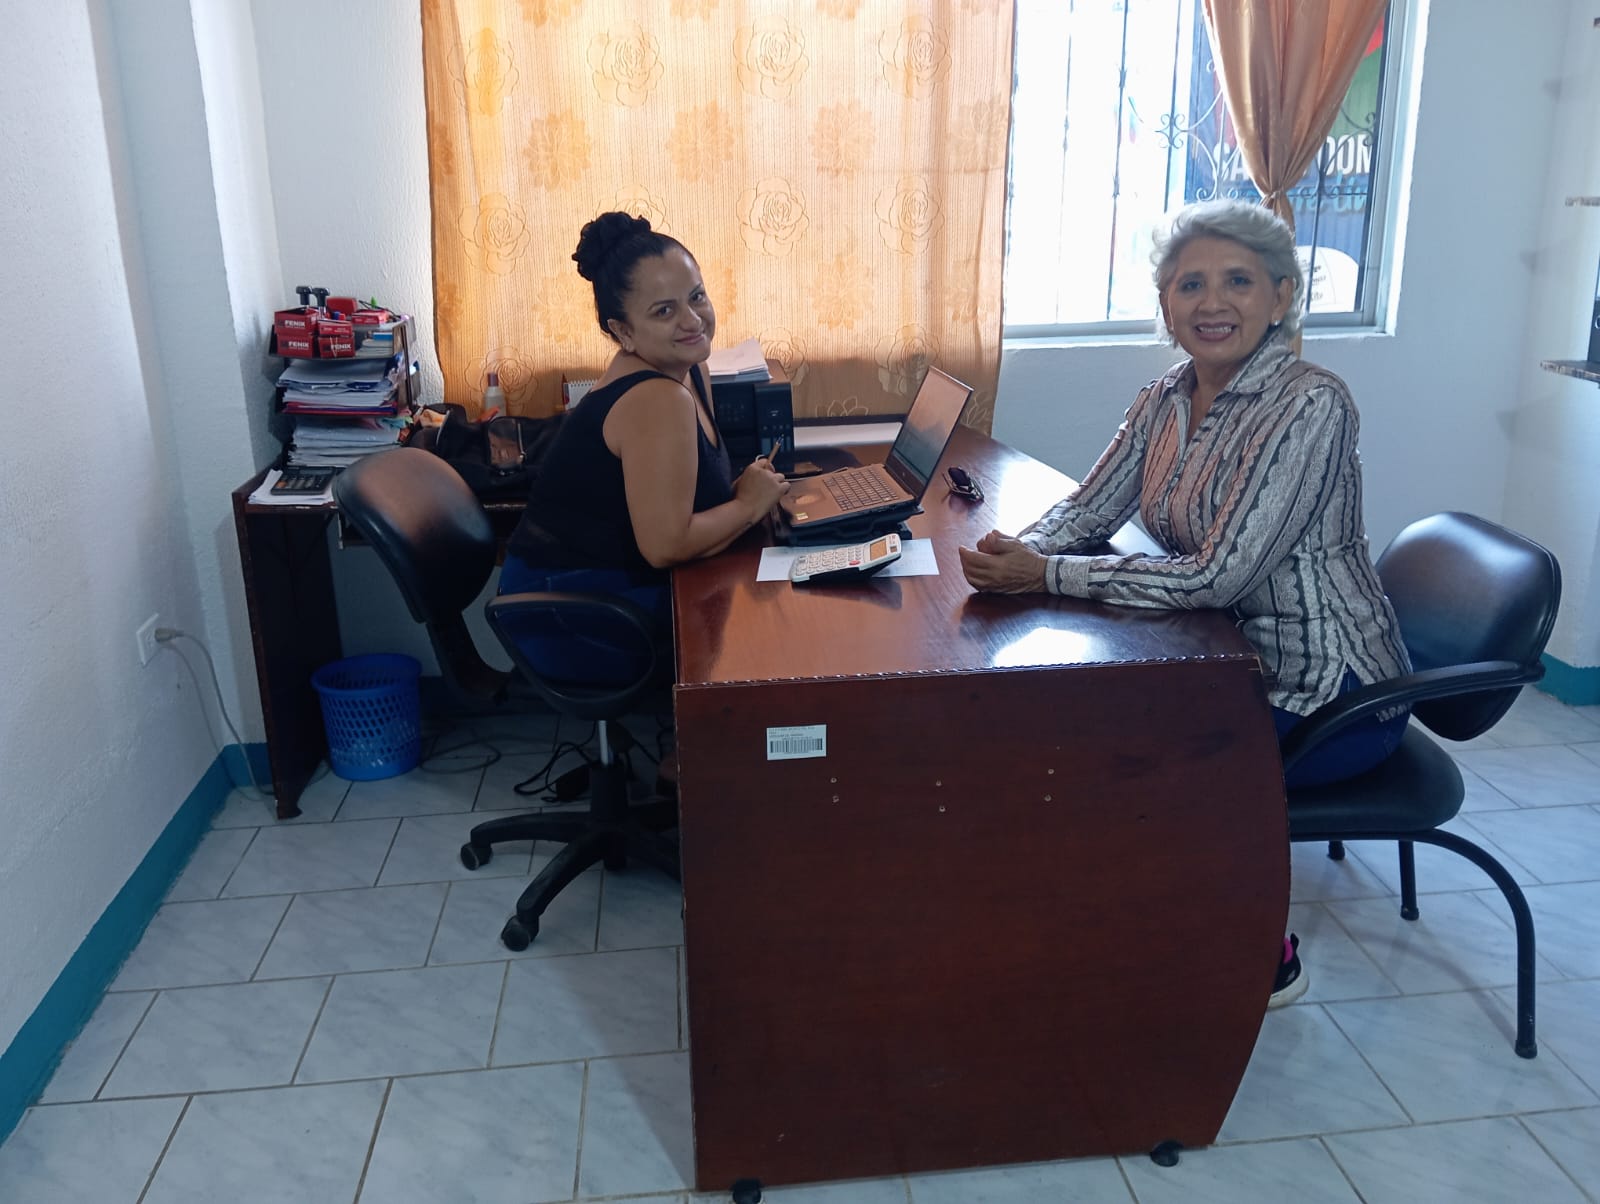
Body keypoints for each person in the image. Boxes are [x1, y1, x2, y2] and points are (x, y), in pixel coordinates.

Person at [958, 198, 1412, 1007]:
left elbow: (1217, 578)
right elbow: (1090, 508)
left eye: (1239, 281)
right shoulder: (1164, 397)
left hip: (1328, 693)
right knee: (1074, 725)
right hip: (1220, 661)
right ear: (1165, 305)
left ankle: (1263, 956)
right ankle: (1102, 914)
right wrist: (1015, 551)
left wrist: (1046, 576)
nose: (1213, 303)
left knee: (1138, 760)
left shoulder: (1311, 404)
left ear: (1281, 296)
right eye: (1190, 284)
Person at [500, 212, 789, 685]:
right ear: (624, 332)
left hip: (615, 588)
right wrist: (748, 506)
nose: (692, 320)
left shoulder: (690, 369)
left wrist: (745, 496)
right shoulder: (655, 399)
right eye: (663, 311)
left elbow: (687, 505)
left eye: (697, 296)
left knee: (768, 607)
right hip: (572, 614)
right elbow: (665, 546)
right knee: (772, 639)